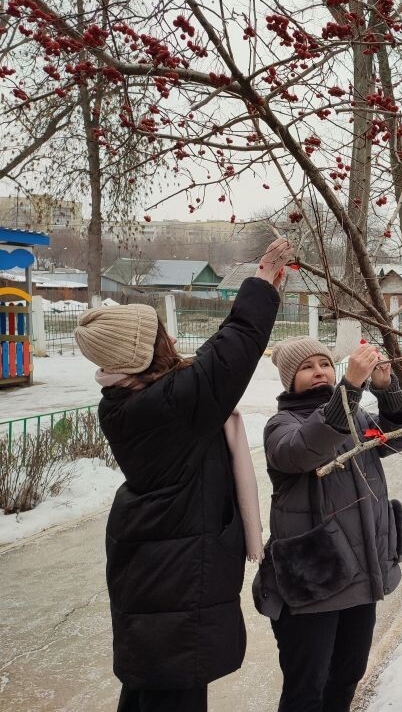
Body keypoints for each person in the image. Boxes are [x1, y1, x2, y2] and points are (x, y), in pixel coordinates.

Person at [73, 237, 293, 712]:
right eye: (158, 337)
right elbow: (228, 355)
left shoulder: (131, 399)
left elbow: (209, 364)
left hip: (157, 565)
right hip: (172, 572)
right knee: (172, 689)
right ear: (141, 354)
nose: (170, 341)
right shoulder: (165, 405)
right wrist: (260, 284)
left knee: (150, 686)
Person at [252, 336, 402, 712]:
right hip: (314, 582)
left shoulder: (355, 417)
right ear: (289, 379)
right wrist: (349, 389)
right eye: (307, 367)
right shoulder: (281, 426)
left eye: (324, 364)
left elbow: (399, 435)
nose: (318, 372)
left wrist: (385, 387)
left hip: (362, 574)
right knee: (306, 689)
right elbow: (306, 449)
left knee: (347, 675)